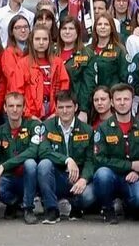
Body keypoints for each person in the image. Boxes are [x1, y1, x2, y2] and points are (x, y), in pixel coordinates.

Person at [88, 83, 139, 224]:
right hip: (112, 176)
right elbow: (99, 160)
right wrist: (130, 165)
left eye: (126, 99)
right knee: (102, 174)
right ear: (112, 103)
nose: (122, 103)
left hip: (134, 177)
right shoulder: (102, 129)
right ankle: (107, 208)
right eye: (118, 99)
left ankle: (127, 205)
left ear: (132, 102)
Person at [34, 91, 97, 223]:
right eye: (61, 107)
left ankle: (75, 205)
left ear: (76, 107)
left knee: (89, 195)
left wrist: (84, 179)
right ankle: (52, 210)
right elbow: (43, 151)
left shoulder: (88, 130)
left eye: (68, 107)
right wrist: (67, 160)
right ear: (56, 108)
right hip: (57, 178)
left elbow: (90, 160)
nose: (65, 111)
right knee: (44, 164)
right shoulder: (47, 126)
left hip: (77, 180)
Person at [0, 91, 43, 222]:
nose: (15, 109)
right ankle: (14, 204)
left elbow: (33, 151)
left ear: (24, 108)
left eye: (18, 106)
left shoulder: (33, 126)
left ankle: (28, 208)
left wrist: (3, 166)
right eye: (11, 106)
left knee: (30, 163)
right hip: (10, 178)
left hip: (30, 179)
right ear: (5, 108)